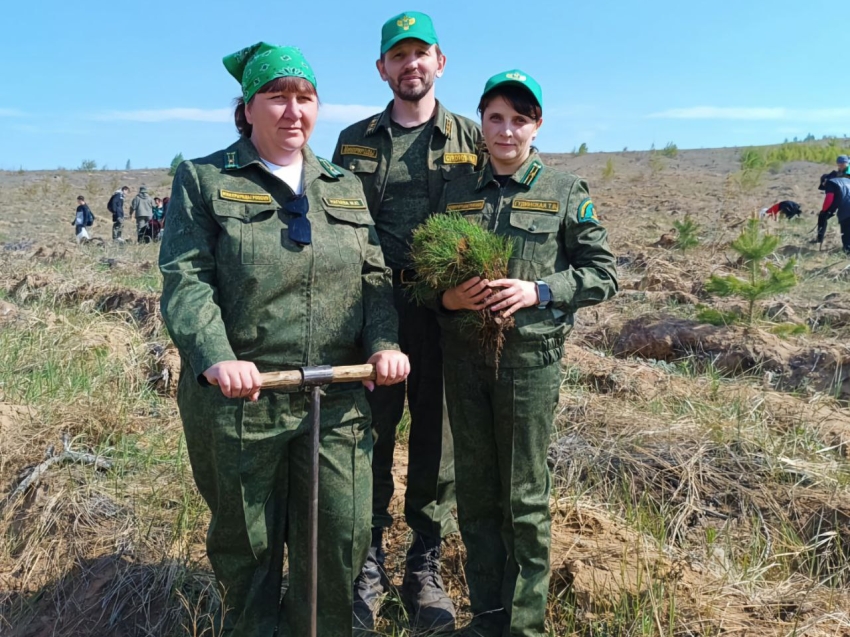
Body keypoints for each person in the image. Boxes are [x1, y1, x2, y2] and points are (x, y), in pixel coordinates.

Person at [159, 42, 410, 637]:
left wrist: (383, 343)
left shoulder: (343, 187)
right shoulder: (203, 179)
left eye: (305, 98)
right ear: (248, 109)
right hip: (243, 400)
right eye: (277, 97)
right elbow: (186, 280)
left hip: (337, 396)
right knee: (248, 546)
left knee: (341, 535)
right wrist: (218, 358)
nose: (292, 111)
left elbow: (375, 279)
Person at [433, 70, 618, 636]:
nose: (507, 130)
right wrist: (450, 296)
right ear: (481, 124)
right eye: (496, 118)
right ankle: (487, 619)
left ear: (537, 126)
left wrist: (539, 290)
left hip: (528, 365)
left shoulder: (564, 191)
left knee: (524, 500)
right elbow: (429, 280)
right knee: (477, 497)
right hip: (465, 364)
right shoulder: (458, 194)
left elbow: (602, 275)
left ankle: (524, 627)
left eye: (519, 119)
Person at [333, 11, 483, 632]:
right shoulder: (353, 140)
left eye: (421, 54)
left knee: (436, 443)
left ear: (440, 62)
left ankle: (425, 563)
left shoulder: (476, 137)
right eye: (399, 56)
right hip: (375, 310)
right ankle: (364, 560)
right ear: (382, 69)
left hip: (448, 314)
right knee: (365, 436)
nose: (410, 65)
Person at [814, 155, 850, 244]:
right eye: (839, 163)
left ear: (847, 163)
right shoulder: (834, 174)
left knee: (846, 222)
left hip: (846, 200)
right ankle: (819, 238)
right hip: (839, 199)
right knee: (823, 216)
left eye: (843, 163)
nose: (841, 165)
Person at [819, 176, 850, 254]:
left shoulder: (830, 183)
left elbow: (829, 198)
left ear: (824, 181)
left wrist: (824, 211)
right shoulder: (847, 181)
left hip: (847, 211)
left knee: (847, 233)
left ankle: (847, 253)